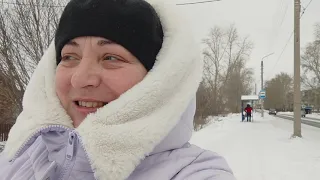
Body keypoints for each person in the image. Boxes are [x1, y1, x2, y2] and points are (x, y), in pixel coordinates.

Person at [0, 0, 236, 179]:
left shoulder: (196, 172)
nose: (81, 79)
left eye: (111, 57)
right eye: (69, 56)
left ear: (159, 78)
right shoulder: (24, 154)